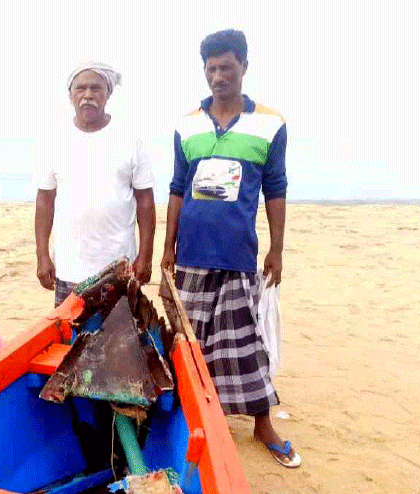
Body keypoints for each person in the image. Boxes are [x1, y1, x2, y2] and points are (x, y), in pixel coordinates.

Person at [160, 30, 301, 468]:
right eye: (211, 69)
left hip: (239, 255)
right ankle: (193, 416)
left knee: (244, 341)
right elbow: (178, 188)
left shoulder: (270, 123)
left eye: (226, 67)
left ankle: (263, 424)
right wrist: (168, 246)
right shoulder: (187, 124)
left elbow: (275, 188)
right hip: (192, 255)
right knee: (191, 343)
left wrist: (277, 248)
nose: (218, 76)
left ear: (244, 66)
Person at [35, 62, 156, 307]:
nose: (87, 95)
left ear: (108, 93)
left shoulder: (130, 139)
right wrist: (42, 255)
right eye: (80, 88)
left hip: (120, 267)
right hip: (70, 269)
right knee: (72, 341)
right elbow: (45, 200)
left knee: (122, 341)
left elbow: (145, 200)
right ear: (70, 95)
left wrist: (146, 256)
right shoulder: (54, 140)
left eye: (95, 88)